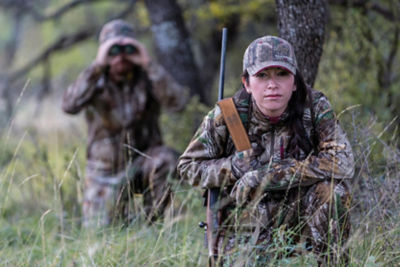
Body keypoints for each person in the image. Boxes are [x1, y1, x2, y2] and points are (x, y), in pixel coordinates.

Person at [177, 36, 354, 265]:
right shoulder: (228, 116)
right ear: (247, 83)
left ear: (295, 81)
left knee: (332, 193)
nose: (272, 84)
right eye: (262, 75)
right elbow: (187, 167)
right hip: (245, 220)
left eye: (282, 74)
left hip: (298, 214)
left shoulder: (315, 106)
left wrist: (268, 176)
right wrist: (231, 167)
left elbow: (342, 161)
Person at [62, 19, 187, 227]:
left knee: (165, 159)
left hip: (143, 163)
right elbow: (69, 105)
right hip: (105, 172)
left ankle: (152, 224)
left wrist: (148, 63)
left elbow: (178, 103)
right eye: (113, 50)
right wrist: (98, 65)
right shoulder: (94, 81)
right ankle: (123, 218)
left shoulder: (148, 77)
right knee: (99, 230)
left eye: (127, 49)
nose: (120, 56)